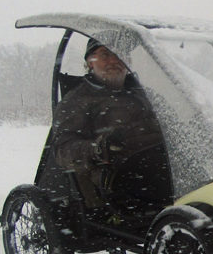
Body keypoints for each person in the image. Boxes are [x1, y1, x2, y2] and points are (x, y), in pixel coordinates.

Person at [53, 37, 170, 227]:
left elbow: (172, 123)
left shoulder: (145, 94)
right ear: (89, 63)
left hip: (159, 163)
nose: (114, 60)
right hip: (115, 175)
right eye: (105, 55)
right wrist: (98, 148)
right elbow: (63, 150)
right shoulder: (77, 100)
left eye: (119, 55)